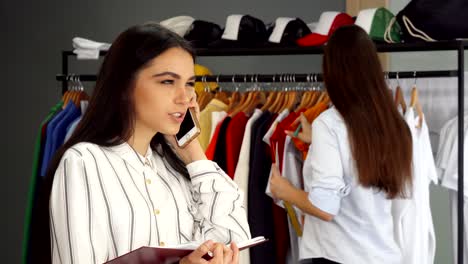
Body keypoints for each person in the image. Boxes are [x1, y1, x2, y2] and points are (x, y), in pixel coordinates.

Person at [42, 23, 250, 264]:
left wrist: (193, 152)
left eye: (190, 83)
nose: (184, 97)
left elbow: (233, 239)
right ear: (124, 86)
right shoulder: (84, 162)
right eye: (168, 82)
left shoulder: (177, 172)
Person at [269, 25, 413, 264]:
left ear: (332, 71)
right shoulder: (394, 124)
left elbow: (325, 207)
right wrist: (318, 143)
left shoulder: (329, 123)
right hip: (385, 255)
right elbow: (360, 166)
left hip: (339, 257)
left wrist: (286, 191)